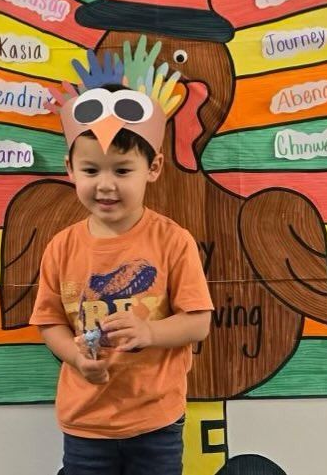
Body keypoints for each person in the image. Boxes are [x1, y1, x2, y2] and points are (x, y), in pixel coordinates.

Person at [30, 47, 213, 475]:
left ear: (153, 168)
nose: (106, 185)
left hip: (156, 420)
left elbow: (198, 322)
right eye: (91, 171)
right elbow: (50, 322)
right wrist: (75, 358)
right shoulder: (61, 247)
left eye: (122, 171)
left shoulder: (173, 241)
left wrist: (149, 330)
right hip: (86, 421)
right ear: (70, 170)